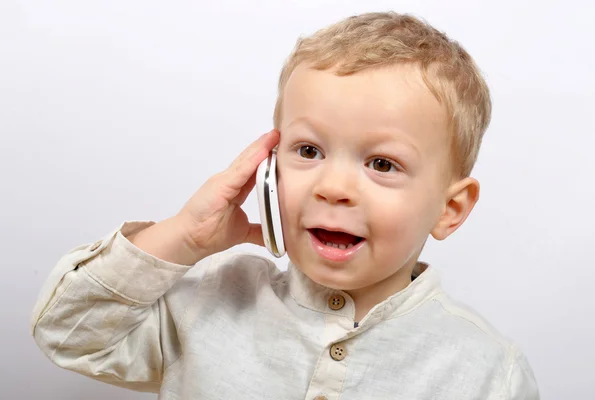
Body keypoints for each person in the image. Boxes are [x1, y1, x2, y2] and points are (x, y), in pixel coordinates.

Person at [31, 11, 539, 399]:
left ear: (450, 209)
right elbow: (68, 331)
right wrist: (184, 237)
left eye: (382, 164)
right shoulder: (209, 303)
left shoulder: (489, 370)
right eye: (309, 151)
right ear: (269, 165)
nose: (333, 187)